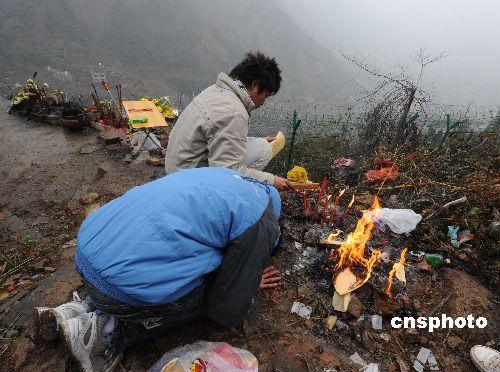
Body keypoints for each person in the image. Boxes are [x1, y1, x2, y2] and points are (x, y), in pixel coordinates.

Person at [33, 167, 282, 372]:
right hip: (120, 286)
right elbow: (226, 311)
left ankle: (81, 308)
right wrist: (246, 283)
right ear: (273, 214)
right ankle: (107, 331)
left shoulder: (222, 177)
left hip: (88, 249)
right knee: (209, 294)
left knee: (165, 256)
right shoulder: (261, 217)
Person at [164, 51, 293, 190]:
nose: (264, 102)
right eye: (266, 95)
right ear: (255, 85)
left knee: (262, 144)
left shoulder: (216, 92)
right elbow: (225, 173)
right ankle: (238, 194)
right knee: (265, 150)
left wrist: (252, 140)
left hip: (177, 170)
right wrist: (271, 180)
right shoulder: (234, 112)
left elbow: (217, 134)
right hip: (188, 186)